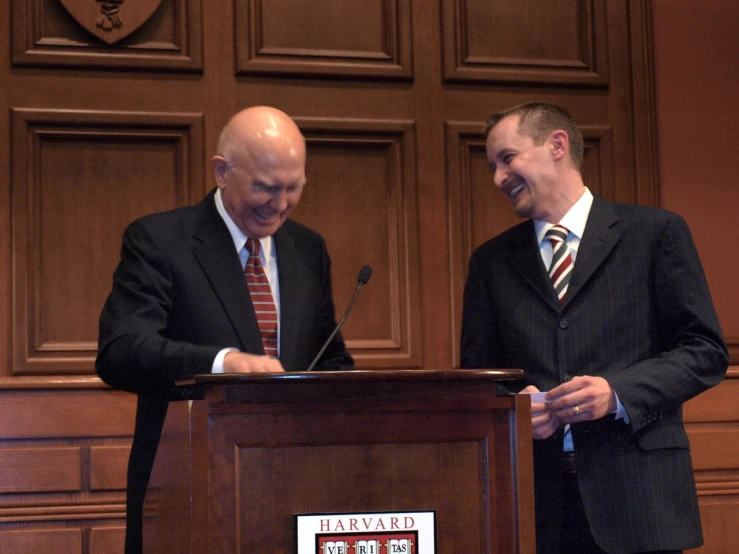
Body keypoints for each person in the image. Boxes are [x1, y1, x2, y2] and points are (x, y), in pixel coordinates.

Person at [460, 101, 728, 554]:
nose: (497, 178)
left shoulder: (656, 233)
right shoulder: (491, 262)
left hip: (640, 506)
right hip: (536, 508)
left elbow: (704, 351)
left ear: (557, 145)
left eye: (507, 159)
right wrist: (512, 409)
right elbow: (477, 377)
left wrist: (617, 393)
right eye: (492, 166)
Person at [96, 106, 354, 554]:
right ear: (222, 171)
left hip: (297, 484)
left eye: (294, 189)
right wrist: (222, 364)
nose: (279, 205)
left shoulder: (307, 249)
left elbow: (328, 358)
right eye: (265, 188)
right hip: (189, 486)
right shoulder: (160, 240)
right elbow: (121, 352)